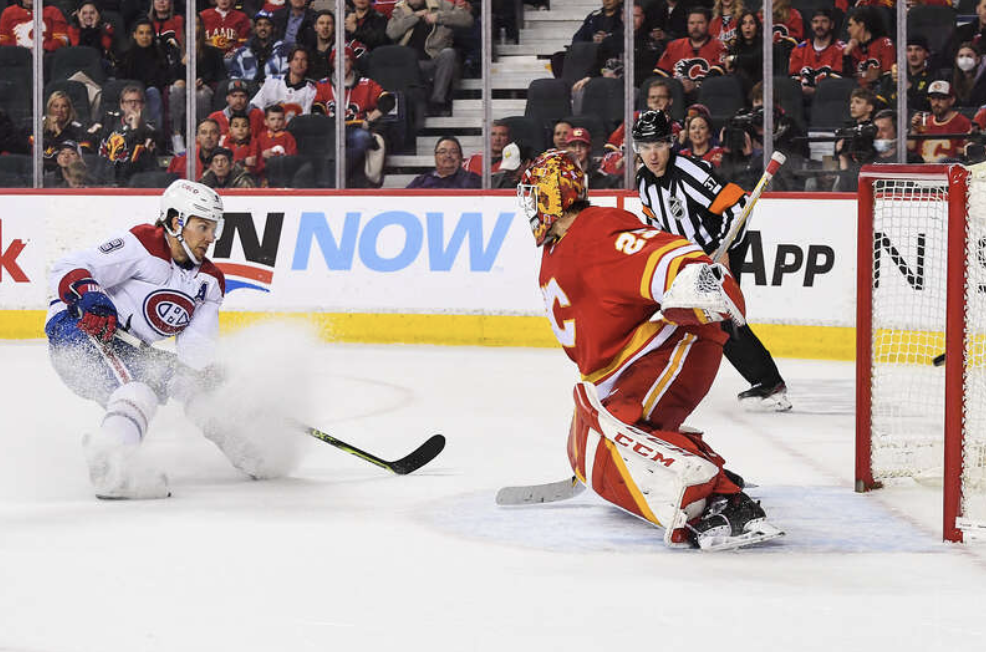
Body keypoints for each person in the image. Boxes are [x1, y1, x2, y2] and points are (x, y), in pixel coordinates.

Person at [518, 148, 782, 550]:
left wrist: (697, 278)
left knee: (624, 433)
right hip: (630, 365)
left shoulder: (595, 231)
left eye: (535, 194)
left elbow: (661, 256)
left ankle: (728, 504)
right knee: (612, 429)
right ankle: (702, 469)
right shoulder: (558, 246)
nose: (530, 205)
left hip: (673, 348)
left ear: (556, 193)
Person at [44, 180, 227, 499]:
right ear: (175, 222)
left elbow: (195, 349)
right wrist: (91, 296)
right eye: (203, 227)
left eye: (214, 228)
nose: (211, 238)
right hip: (81, 329)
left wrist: (204, 374)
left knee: (190, 385)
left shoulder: (209, 283)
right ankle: (111, 462)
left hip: (129, 351)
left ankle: (250, 449)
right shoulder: (144, 243)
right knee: (138, 390)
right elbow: (68, 267)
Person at [632, 110, 791, 410]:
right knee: (691, 319)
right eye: (644, 146)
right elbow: (655, 224)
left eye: (658, 145)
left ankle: (769, 383)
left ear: (670, 143)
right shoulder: (643, 181)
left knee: (721, 320)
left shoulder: (689, 171)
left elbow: (737, 206)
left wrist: (724, 253)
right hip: (691, 259)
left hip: (723, 249)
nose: (651, 154)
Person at [312, 44, 392, 184]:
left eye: (346, 59)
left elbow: (388, 101)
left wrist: (371, 118)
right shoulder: (323, 85)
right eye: (338, 60)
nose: (342, 64)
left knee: (362, 137)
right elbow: (317, 108)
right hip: (332, 131)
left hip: (357, 128)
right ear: (332, 64)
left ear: (352, 62)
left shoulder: (366, 84)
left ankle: (341, 176)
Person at [385, 0, 474, 116]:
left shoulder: (441, 5)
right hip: (408, 63)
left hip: (434, 58)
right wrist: (414, 17)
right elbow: (391, 33)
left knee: (449, 53)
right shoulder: (400, 10)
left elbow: (467, 19)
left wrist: (439, 17)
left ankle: (438, 101)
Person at [653, 6, 725, 101]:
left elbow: (718, 74)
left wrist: (696, 85)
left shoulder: (719, 46)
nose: (695, 27)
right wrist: (676, 86)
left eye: (700, 23)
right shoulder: (674, 46)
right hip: (675, 98)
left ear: (708, 25)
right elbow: (659, 74)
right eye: (691, 23)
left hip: (707, 97)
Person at [95, 85, 160, 186]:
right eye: (129, 102)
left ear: (142, 106)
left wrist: (135, 128)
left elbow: (141, 161)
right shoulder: (110, 123)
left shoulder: (149, 131)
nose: (133, 105)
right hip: (105, 177)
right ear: (122, 105)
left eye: (137, 101)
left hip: (130, 181)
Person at [250, 44, 318, 122]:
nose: (299, 63)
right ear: (289, 63)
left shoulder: (311, 90)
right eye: (296, 59)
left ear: (307, 64)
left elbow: (307, 119)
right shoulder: (273, 82)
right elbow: (255, 105)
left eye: (303, 60)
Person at [910, 80, 973, 163]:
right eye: (933, 98)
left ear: (952, 100)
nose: (936, 103)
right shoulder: (924, 121)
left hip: (946, 170)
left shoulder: (963, 122)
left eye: (941, 98)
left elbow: (965, 153)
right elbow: (910, 148)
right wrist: (914, 130)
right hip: (921, 169)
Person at [788, 7, 844, 98]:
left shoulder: (841, 50)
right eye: (815, 22)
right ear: (811, 25)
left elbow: (837, 84)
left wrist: (815, 91)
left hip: (829, 100)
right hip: (801, 99)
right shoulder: (799, 49)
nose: (819, 25)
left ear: (832, 24)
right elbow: (793, 79)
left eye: (824, 21)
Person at [226, 10, 292, 82]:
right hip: (248, 89)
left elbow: (285, 76)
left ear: (273, 28)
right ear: (255, 29)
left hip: (274, 88)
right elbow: (235, 76)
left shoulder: (283, 50)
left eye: (267, 24)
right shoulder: (243, 51)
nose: (262, 28)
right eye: (259, 25)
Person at [843, 6, 894, 90]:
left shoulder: (884, 43)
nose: (848, 29)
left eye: (850, 25)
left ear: (861, 25)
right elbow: (848, 79)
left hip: (877, 95)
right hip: (856, 94)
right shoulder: (853, 48)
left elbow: (888, 77)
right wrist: (847, 54)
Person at [42, 91, 92, 172]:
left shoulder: (78, 129)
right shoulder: (40, 128)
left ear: (69, 109)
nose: (59, 110)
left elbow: (85, 154)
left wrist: (58, 129)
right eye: (56, 106)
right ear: (50, 108)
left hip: (69, 174)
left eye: (64, 106)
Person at [407, 135, 480, 188]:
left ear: (461, 157)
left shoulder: (472, 180)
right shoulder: (420, 181)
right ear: (435, 156)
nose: (448, 155)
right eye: (442, 152)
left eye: (453, 152)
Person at [249, 103, 298, 180]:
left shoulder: (288, 137)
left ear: (284, 121)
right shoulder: (261, 137)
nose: (276, 122)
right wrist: (262, 155)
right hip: (263, 175)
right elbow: (254, 158)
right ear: (265, 121)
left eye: (280, 119)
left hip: (282, 175)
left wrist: (283, 157)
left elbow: (293, 158)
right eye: (272, 119)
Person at [0, 0, 69, 51]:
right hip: (16, 60)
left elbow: (61, 40)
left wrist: (43, 49)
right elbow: (2, 39)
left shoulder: (53, 12)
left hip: (46, 58)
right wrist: (19, 52)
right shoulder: (9, 12)